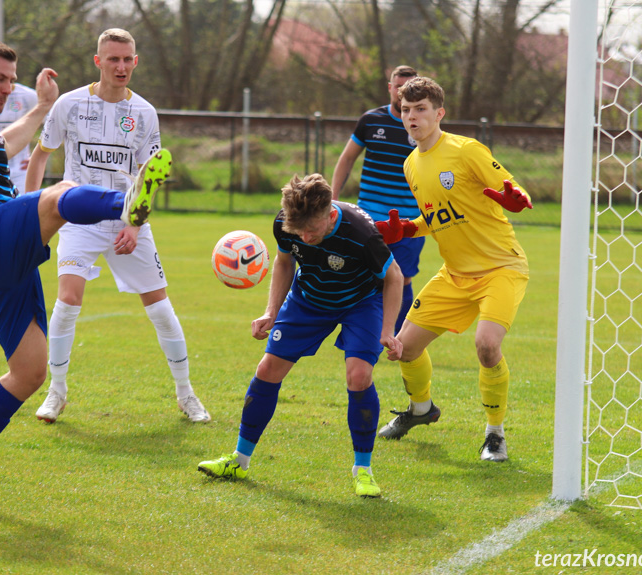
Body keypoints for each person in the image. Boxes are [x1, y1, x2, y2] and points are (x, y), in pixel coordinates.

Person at [0, 36, 170, 509]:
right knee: (59, 193)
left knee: (28, 371)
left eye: (11, 79)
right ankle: (125, 203)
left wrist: (42, 107)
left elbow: (8, 142)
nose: (7, 88)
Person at [25, 29, 210, 425]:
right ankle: (56, 393)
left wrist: (136, 227)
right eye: (113, 59)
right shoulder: (69, 104)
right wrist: (31, 208)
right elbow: (40, 157)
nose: (121, 66)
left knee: (160, 309)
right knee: (68, 300)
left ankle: (186, 394)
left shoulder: (144, 112)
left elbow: (151, 176)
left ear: (136, 61)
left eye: (127, 59)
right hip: (78, 217)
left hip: (128, 220)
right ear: (98, 62)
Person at [198, 173, 404, 498]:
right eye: (300, 231)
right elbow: (283, 262)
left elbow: (394, 277)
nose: (305, 237)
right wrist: (270, 311)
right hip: (308, 299)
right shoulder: (285, 223)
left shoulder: (361, 232)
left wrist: (388, 330)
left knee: (359, 375)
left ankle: (362, 470)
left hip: (361, 302)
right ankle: (239, 460)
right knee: (267, 370)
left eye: (313, 230)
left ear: (330, 215)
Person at [374, 77, 532, 462]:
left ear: (439, 113)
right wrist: (409, 228)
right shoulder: (411, 164)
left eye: (421, 109)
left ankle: (494, 435)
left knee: (487, 345)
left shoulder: (467, 151)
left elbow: (513, 190)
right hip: (455, 274)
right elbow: (439, 216)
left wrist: (515, 199)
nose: (412, 117)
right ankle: (421, 410)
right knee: (403, 348)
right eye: (406, 110)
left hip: (500, 267)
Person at [332, 65, 424, 336]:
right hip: (368, 217)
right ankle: (359, 331)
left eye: (408, 87)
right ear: (390, 87)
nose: (402, 92)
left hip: (409, 220)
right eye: (398, 86)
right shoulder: (371, 120)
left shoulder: (423, 125)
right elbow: (348, 157)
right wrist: (334, 197)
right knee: (363, 274)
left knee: (403, 277)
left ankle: (398, 338)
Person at [0, 82, 38, 192]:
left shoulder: (29, 96)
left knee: (23, 208)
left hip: (20, 172)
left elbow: (50, 125)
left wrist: (37, 156)